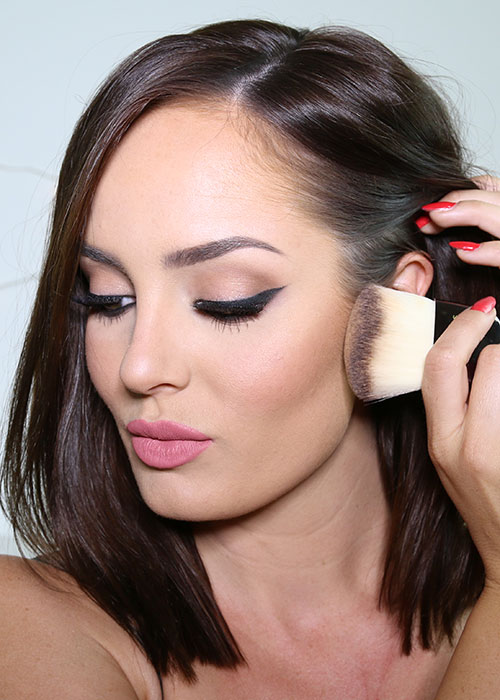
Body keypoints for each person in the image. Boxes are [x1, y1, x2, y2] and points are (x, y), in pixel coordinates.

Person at [1, 17, 500, 699]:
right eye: (108, 299)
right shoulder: (28, 626)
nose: (138, 368)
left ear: (400, 296)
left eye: (225, 302)